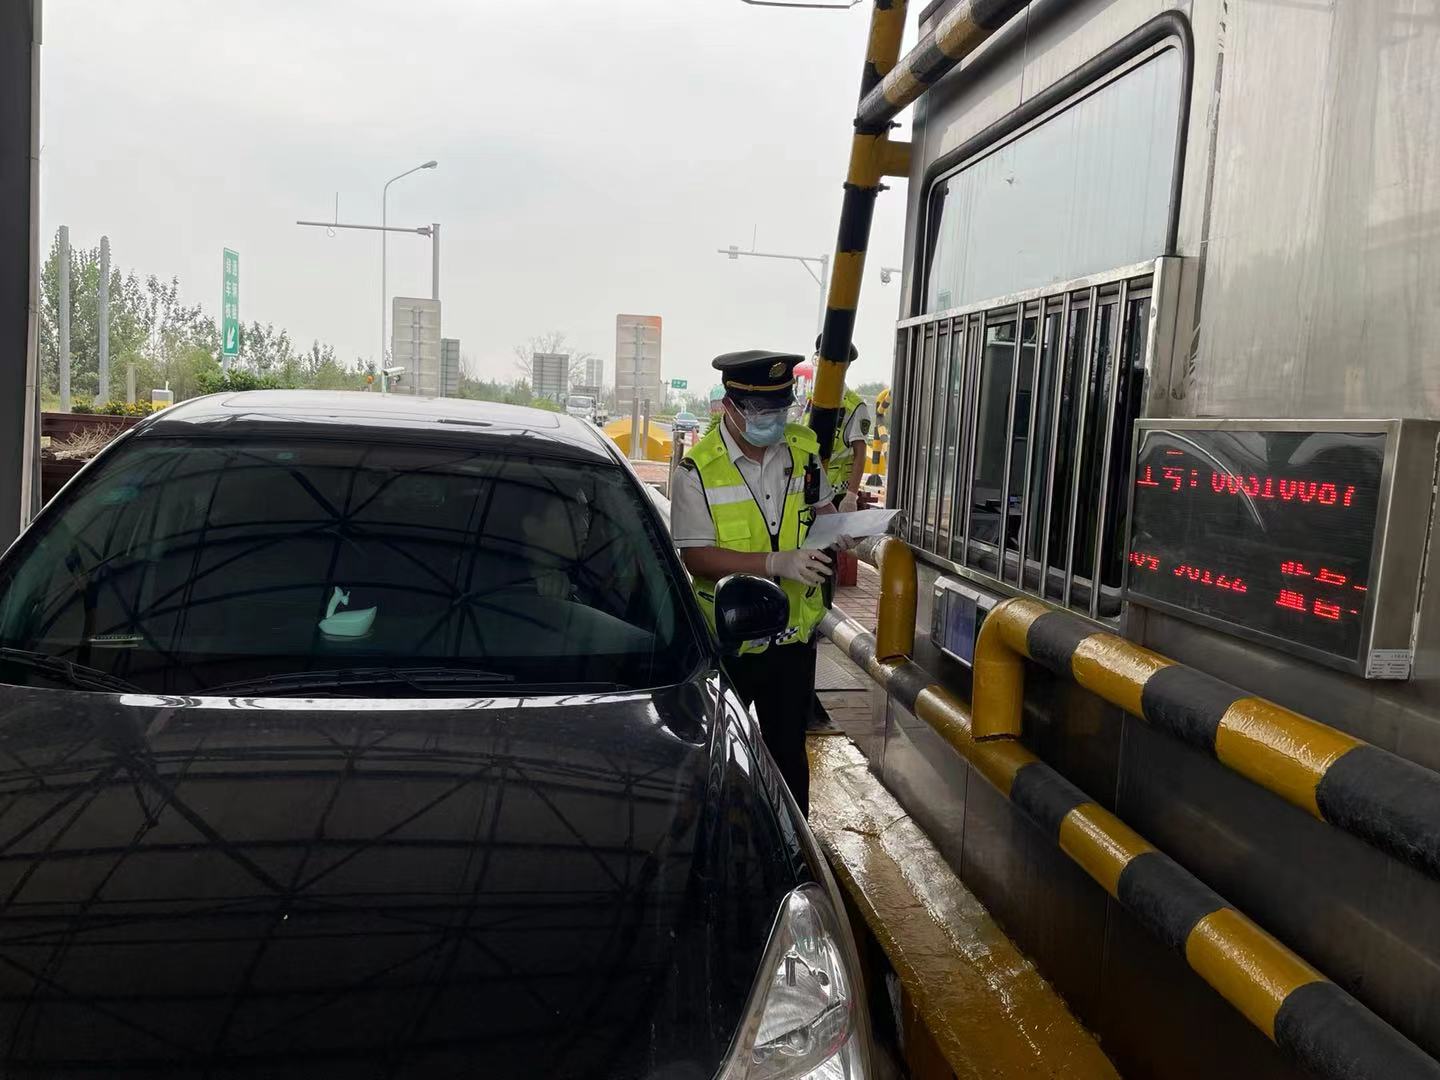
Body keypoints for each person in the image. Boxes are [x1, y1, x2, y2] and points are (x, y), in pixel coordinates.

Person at [670, 349, 848, 815]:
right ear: (729, 406)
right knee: (712, 755)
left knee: (789, 751)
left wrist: (838, 528)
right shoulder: (697, 471)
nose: (771, 419)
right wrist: (774, 563)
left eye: (779, 407)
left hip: (792, 637)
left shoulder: (803, 452)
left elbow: (822, 509)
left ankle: (794, 840)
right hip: (727, 642)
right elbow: (696, 556)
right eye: (759, 409)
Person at [802, 335, 872, 514]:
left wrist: (851, 497)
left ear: (844, 366)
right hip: (807, 492)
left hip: (835, 496)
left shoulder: (855, 407)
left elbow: (860, 454)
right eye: (820, 359)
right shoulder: (811, 400)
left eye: (830, 362)